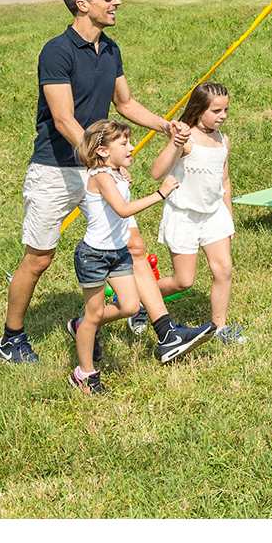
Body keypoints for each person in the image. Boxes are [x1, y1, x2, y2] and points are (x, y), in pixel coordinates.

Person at [0, 0, 190, 364]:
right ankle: (11, 337)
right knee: (39, 258)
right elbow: (64, 119)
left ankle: (165, 331)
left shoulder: (111, 48)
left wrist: (164, 124)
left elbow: (124, 103)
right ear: (82, 4)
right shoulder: (57, 51)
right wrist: (99, 156)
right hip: (56, 167)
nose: (117, 1)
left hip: (97, 165)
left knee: (134, 246)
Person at [66, 120, 215, 392]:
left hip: (118, 253)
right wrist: (160, 194)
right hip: (94, 257)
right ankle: (85, 373)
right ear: (102, 151)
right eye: (123, 144)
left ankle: (81, 325)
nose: (132, 147)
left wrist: (123, 175)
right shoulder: (100, 176)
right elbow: (123, 210)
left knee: (131, 307)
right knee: (94, 313)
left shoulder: (118, 173)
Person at [149, 82, 244, 343]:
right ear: (198, 109)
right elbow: (157, 172)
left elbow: (224, 181)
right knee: (183, 281)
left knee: (223, 269)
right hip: (184, 217)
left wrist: (229, 218)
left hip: (214, 215)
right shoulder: (186, 137)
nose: (222, 115)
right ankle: (139, 301)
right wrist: (175, 143)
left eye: (226, 109)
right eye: (216, 111)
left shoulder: (223, 140)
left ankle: (220, 329)